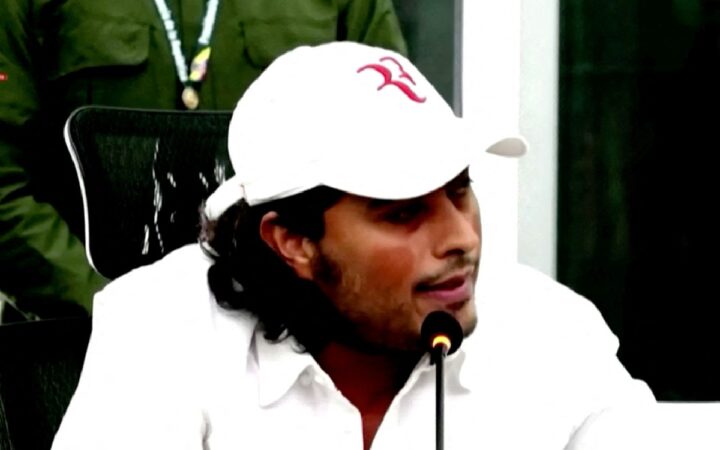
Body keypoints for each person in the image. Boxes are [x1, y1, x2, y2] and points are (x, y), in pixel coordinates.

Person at [51, 42, 655, 450]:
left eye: (460, 190)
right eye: (404, 212)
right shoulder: (163, 326)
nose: (462, 237)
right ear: (292, 241)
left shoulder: (551, 331)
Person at [0, 0, 407, 321]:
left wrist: (310, 298)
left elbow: (395, 155)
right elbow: (5, 183)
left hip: (295, 339)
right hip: (85, 347)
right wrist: (111, 309)